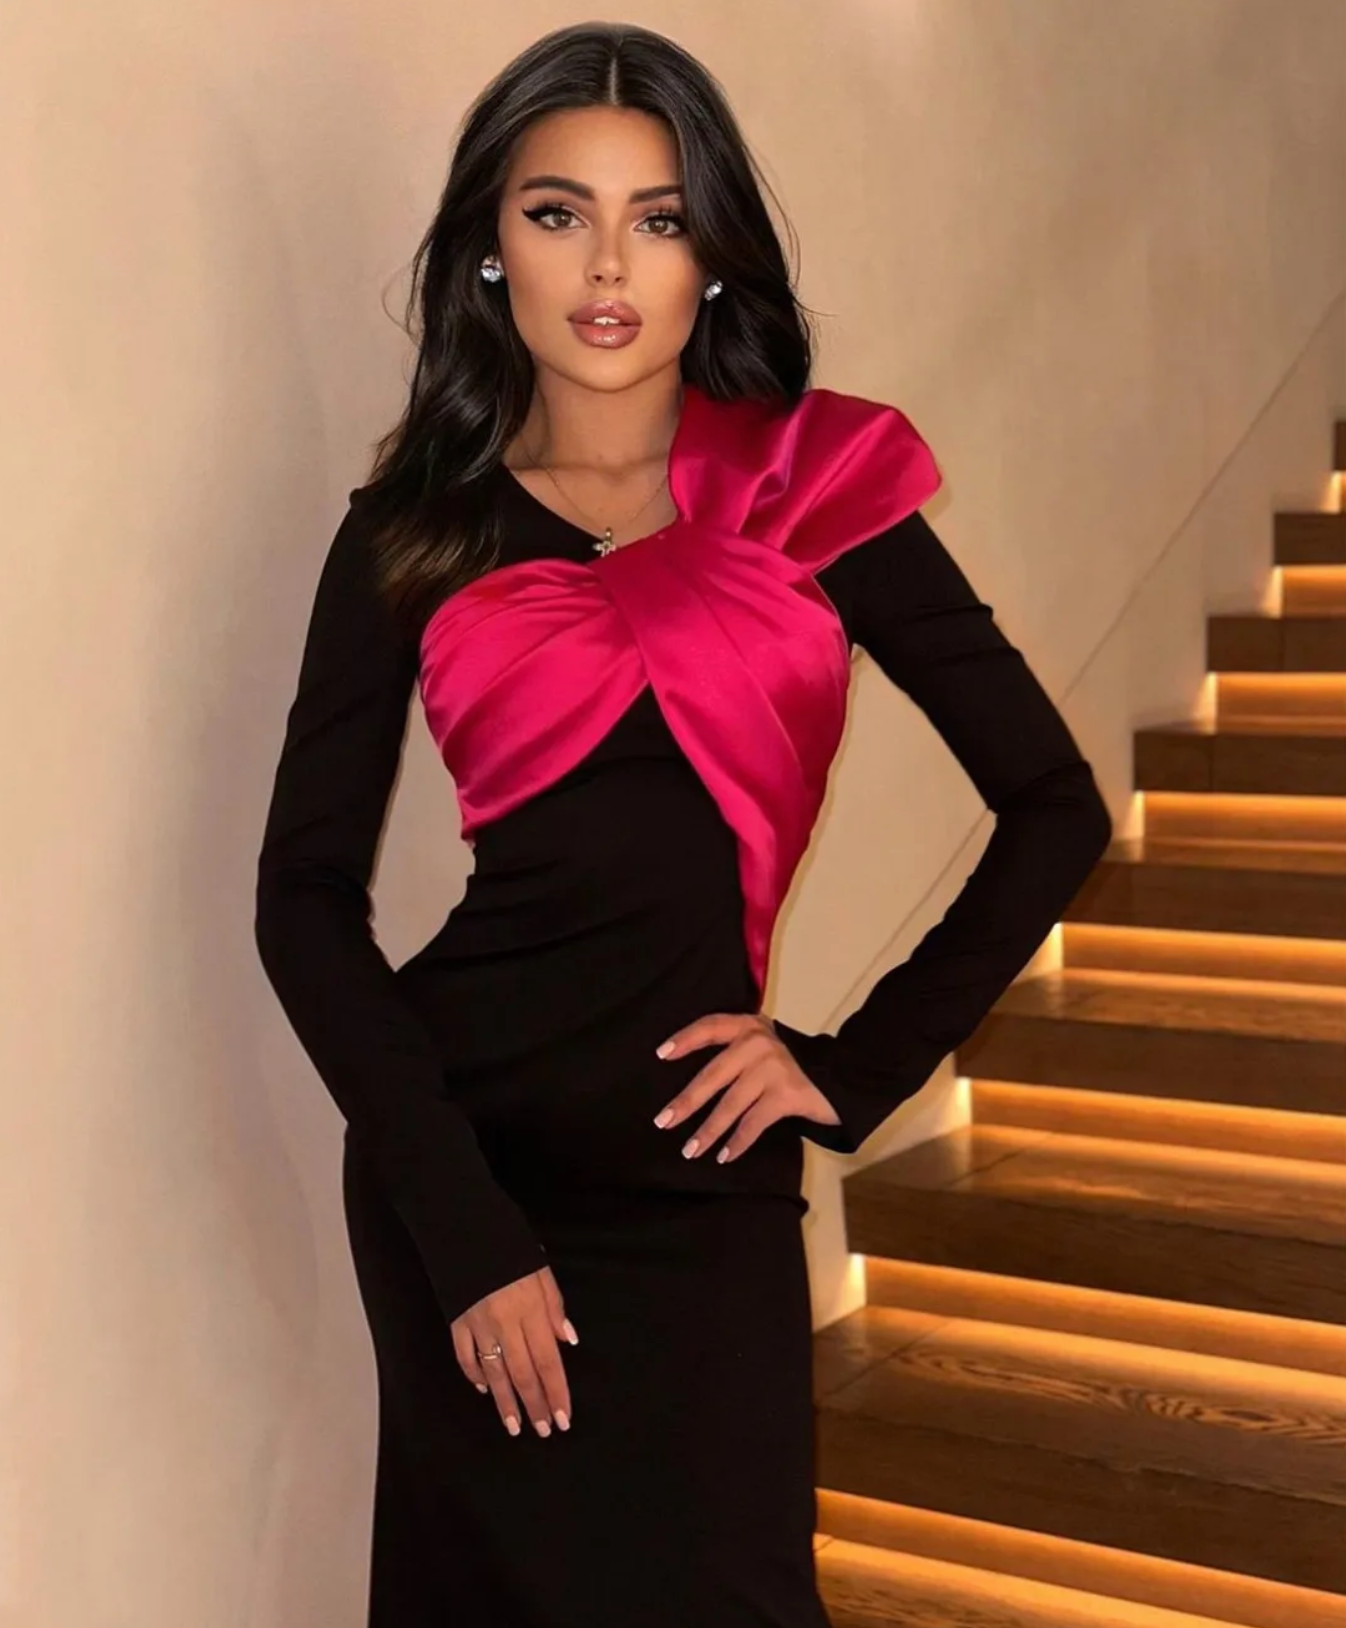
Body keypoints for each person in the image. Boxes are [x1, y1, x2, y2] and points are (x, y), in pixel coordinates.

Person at [253, 20, 1113, 1627]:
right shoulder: (414, 532)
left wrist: (848, 1068)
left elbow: (1052, 807)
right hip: (470, 1159)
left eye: (656, 218)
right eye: (555, 212)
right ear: (488, 250)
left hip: (698, 1164)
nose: (607, 265)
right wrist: (460, 1224)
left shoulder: (810, 486)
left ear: (711, 255)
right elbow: (301, 893)